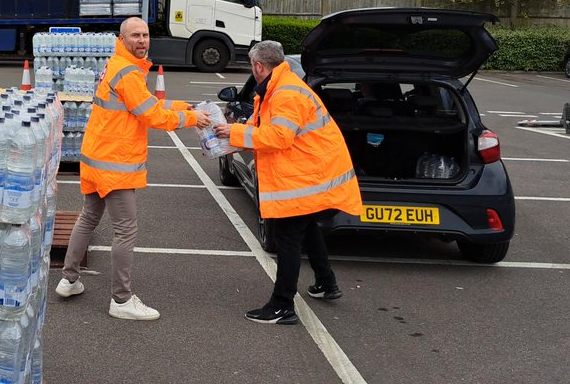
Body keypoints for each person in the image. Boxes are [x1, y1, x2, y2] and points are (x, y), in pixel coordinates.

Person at [56, 16, 212, 321]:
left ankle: (69, 279)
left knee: (88, 218)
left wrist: (182, 107)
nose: (142, 40)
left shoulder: (118, 65)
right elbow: (152, 116)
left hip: (97, 158)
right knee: (125, 230)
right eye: (135, 36)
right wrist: (193, 119)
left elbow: (141, 104)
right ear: (122, 38)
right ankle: (122, 299)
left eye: (145, 35)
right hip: (115, 163)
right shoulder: (128, 72)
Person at [226, 41, 362, 325]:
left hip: (305, 177)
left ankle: (282, 305)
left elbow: (278, 138)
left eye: (251, 66)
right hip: (312, 174)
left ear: (259, 67)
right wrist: (231, 136)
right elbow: (262, 127)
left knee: (287, 238)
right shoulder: (280, 86)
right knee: (308, 227)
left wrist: (234, 132)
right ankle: (326, 282)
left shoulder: (285, 93)